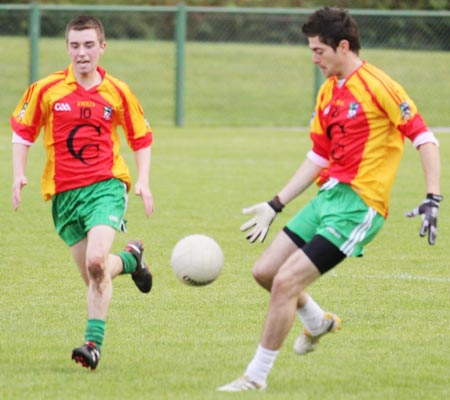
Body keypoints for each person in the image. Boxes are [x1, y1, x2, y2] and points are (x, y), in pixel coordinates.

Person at [218, 6, 442, 392]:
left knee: (286, 282)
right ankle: (317, 321)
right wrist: (275, 203)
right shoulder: (328, 91)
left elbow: (424, 138)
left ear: (342, 46)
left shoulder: (379, 86)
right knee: (265, 273)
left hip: (359, 206)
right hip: (327, 196)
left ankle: (255, 377)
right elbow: (317, 157)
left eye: (318, 51)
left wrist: (432, 197)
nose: (314, 58)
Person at [11, 15, 154, 371]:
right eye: (75, 45)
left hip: (106, 187)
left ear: (102, 47)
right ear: (67, 49)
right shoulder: (46, 89)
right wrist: (18, 175)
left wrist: (143, 180)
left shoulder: (117, 91)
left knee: (95, 262)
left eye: (89, 45)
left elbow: (141, 138)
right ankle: (132, 260)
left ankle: (92, 345)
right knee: (97, 273)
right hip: (62, 196)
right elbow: (23, 133)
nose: (82, 52)